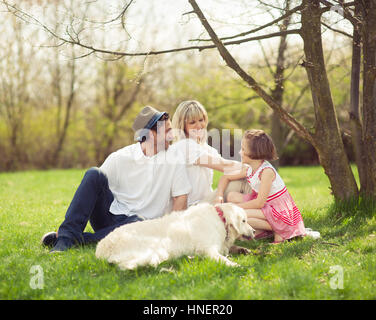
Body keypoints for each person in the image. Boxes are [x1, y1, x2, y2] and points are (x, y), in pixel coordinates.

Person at [41, 106, 191, 252]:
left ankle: (72, 239)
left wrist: (169, 231)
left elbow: (180, 199)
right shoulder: (121, 157)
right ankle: (65, 239)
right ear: (150, 134)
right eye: (167, 132)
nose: (172, 136)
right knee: (94, 174)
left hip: (142, 226)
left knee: (138, 221)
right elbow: (94, 190)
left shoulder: (174, 160)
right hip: (110, 218)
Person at [215, 129, 306, 244]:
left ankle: (282, 229)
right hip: (267, 205)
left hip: (279, 211)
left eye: (243, 149)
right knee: (232, 196)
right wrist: (219, 195)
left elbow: (259, 203)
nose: (240, 152)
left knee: (240, 215)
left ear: (254, 153)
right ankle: (271, 229)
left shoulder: (266, 172)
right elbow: (226, 177)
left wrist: (236, 208)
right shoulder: (250, 168)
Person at [170, 100, 238, 206]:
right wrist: (254, 169)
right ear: (183, 125)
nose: (199, 125)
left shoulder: (205, 148)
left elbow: (226, 164)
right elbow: (224, 166)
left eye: (201, 120)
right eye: (192, 122)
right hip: (193, 206)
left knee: (240, 183)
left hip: (205, 201)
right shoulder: (185, 145)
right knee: (238, 184)